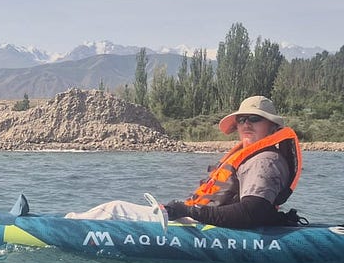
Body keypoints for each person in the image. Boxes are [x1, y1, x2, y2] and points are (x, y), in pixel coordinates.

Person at [65, 95, 301, 228]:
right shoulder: (257, 157)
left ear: (272, 127)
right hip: (209, 222)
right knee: (116, 210)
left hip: (211, 227)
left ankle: (58, 228)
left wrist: (188, 210)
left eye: (255, 119)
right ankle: (66, 221)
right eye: (241, 120)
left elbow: (252, 213)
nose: (246, 124)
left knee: (115, 208)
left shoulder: (265, 160)